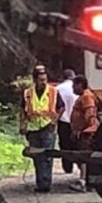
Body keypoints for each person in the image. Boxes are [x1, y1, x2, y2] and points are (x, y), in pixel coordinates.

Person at [20, 64, 65, 193]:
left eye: (45, 79)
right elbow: (22, 110)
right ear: (35, 80)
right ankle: (40, 183)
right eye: (41, 80)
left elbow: (61, 107)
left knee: (47, 156)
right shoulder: (27, 93)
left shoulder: (53, 91)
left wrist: (54, 121)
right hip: (33, 129)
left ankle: (46, 184)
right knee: (37, 156)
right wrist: (22, 125)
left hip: (47, 127)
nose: (44, 82)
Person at [69, 75, 99, 192]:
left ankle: (83, 181)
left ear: (80, 85)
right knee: (82, 156)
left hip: (85, 133)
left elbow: (90, 114)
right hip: (81, 132)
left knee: (84, 156)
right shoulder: (83, 96)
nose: (73, 88)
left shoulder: (86, 96)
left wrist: (86, 129)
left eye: (74, 86)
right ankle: (86, 181)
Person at [55, 68, 78, 174]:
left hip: (63, 120)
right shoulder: (77, 89)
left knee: (64, 145)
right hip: (76, 121)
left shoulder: (57, 88)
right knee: (77, 144)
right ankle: (80, 166)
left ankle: (67, 167)